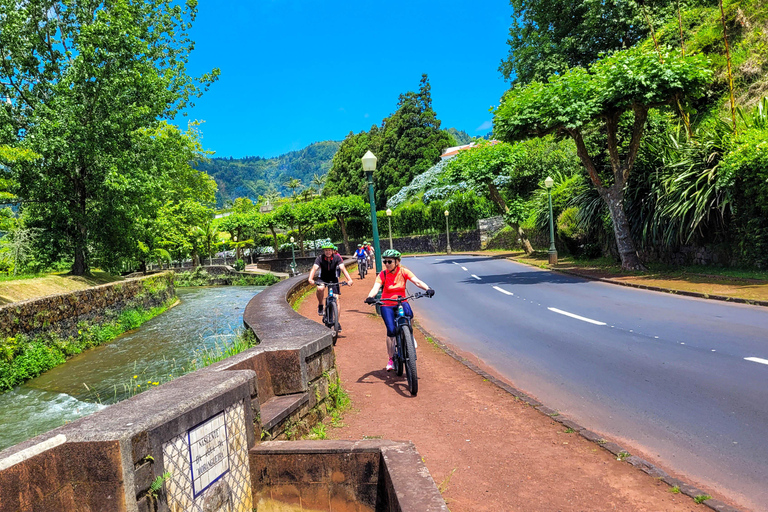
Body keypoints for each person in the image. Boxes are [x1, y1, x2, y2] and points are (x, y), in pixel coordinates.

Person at [364, 249, 434, 371]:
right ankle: (391, 359)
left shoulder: (404, 271)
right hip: (386, 304)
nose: (386, 264)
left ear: (397, 262)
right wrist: (370, 297)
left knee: (410, 316)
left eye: (389, 261)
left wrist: (428, 288)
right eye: (385, 261)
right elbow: (376, 288)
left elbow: (417, 281)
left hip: (402, 301)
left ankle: (409, 336)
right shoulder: (383, 274)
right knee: (391, 331)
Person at [309, 242, 353, 318]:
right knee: (320, 288)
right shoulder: (320, 258)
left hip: (333, 279)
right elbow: (314, 269)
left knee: (336, 299)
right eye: (326, 250)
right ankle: (320, 304)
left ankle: (337, 323)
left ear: (332, 251)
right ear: (323, 251)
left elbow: (343, 268)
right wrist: (310, 279)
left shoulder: (337, 258)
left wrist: (349, 279)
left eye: (329, 250)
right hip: (323, 278)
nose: (328, 252)